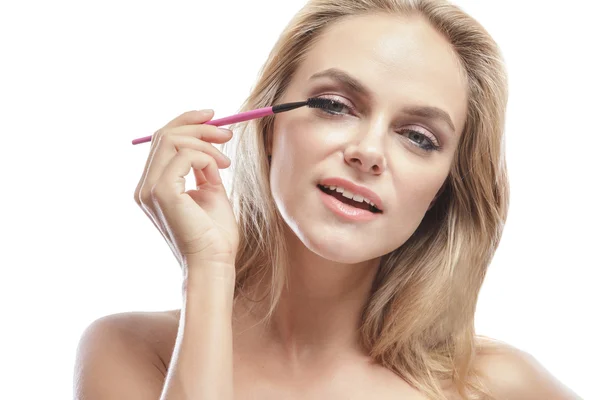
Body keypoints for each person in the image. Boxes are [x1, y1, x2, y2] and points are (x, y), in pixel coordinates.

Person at [73, 0, 581, 399]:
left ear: (445, 188)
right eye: (335, 106)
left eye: (419, 137)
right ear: (267, 128)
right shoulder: (132, 352)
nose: (367, 152)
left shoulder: (495, 387)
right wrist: (207, 270)